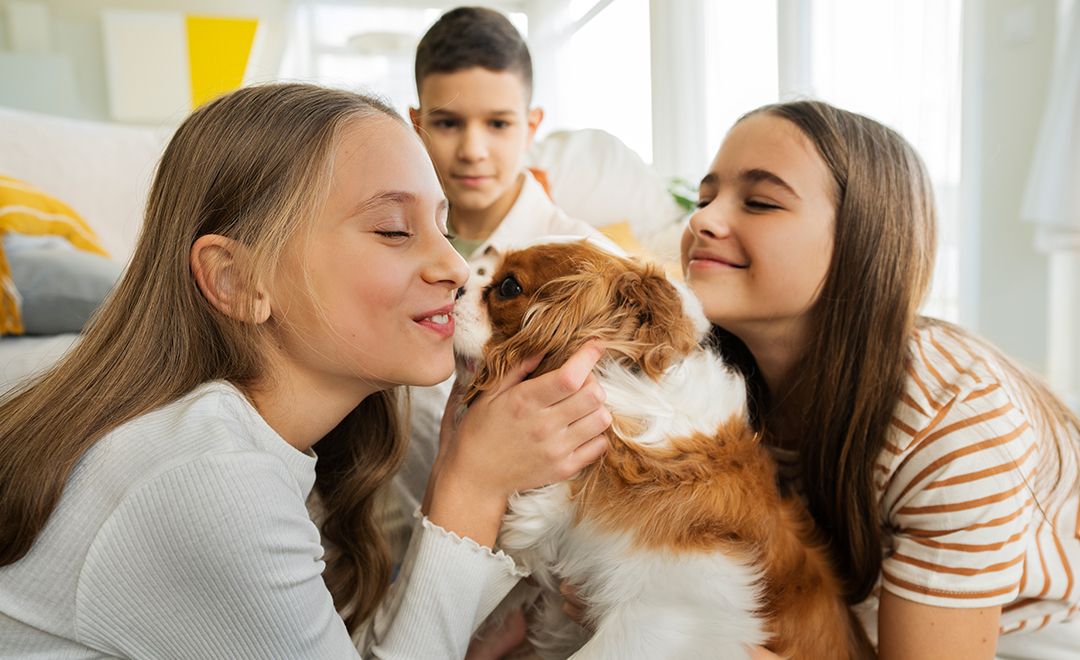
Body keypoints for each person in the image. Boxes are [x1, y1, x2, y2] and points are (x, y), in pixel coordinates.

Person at [0, 82, 611, 659]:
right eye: (394, 230)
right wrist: (472, 486)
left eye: (444, 228)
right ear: (236, 280)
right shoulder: (206, 475)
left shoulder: (256, 445)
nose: (455, 265)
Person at [680, 100, 1080, 658]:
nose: (702, 220)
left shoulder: (955, 420)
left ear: (861, 241)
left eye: (761, 202)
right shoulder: (698, 378)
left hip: (1015, 638)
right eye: (705, 197)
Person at [397, 6, 614, 517]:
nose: (473, 150)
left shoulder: (591, 265)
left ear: (532, 124)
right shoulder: (382, 252)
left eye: (498, 123)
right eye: (448, 123)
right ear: (416, 124)